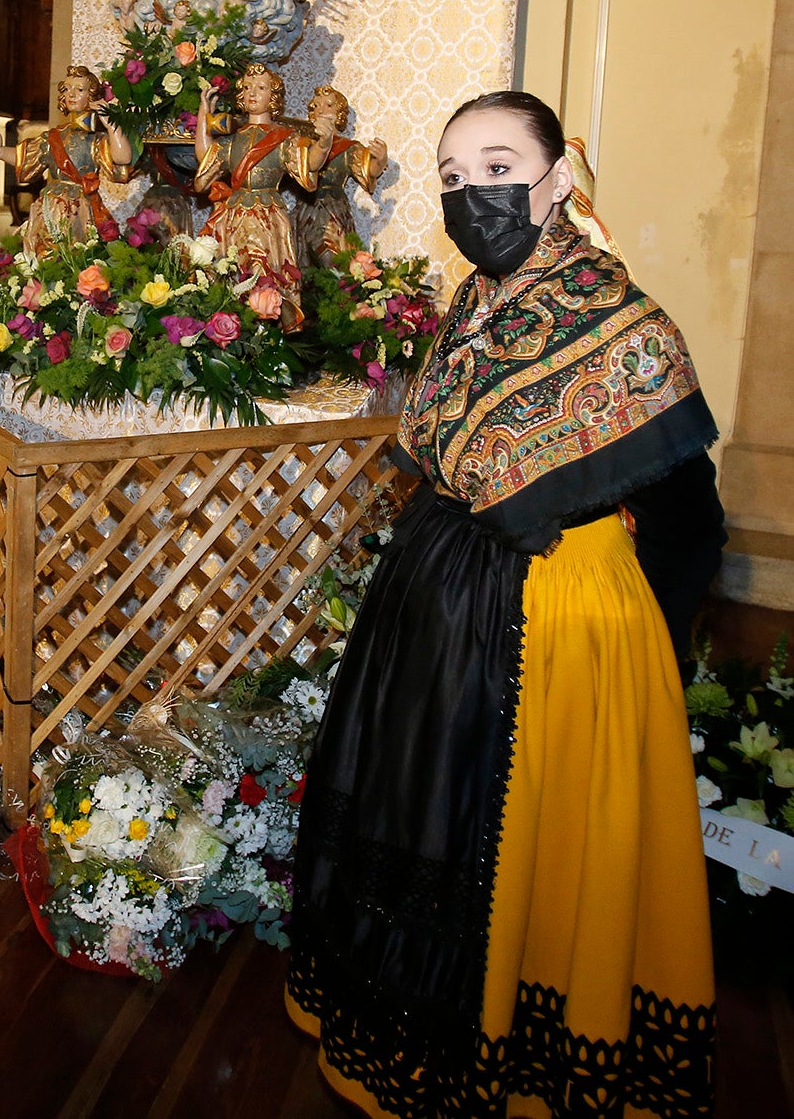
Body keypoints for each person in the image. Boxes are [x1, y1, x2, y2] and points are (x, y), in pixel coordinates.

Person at [287, 91, 724, 1117]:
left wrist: (643, 663)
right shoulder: (471, 312)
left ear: (558, 178)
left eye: (497, 168)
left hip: (560, 630)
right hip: (434, 615)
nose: (470, 193)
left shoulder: (624, 327)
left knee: (527, 861)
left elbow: (690, 520)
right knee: (418, 825)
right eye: (452, 176)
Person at [194, 63, 334, 330]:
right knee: (234, 275)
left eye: (261, 88)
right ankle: (235, 329)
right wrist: (204, 115)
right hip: (234, 219)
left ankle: (269, 330)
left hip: (268, 220)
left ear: (274, 96)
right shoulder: (233, 140)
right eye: (247, 87)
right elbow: (206, 157)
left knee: (266, 275)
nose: (252, 93)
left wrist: (324, 143)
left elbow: (308, 164)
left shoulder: (284, 139)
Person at [0, 66, 134, 256]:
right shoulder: (54, 136)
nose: (71, 94)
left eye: (79, 89)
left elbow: (123, 158)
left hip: (80, 209)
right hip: (49, 207)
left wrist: (112, 125)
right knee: (43, 255)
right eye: (67, 89)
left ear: (92, 96)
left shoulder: (96, 140)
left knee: (77, 256)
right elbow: (27, 158)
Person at [293, 85, 389, 267]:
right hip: (305, 209)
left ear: (339, 114)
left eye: (329, 105)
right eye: (317, 106)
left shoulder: (347, 148)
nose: (321, 110)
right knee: (303, 262)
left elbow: (369, 170)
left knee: (333, 258)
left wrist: (381, 159)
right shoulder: (302, 144)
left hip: (332, 209)